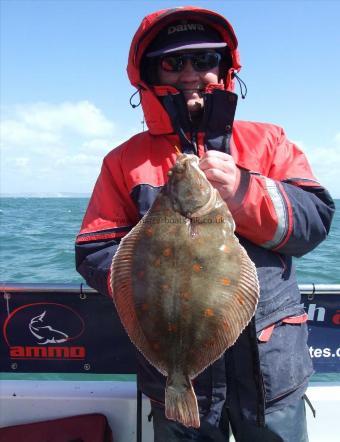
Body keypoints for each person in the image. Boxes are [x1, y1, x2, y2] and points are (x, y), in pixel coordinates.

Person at [75, 6, 335, 441]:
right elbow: (94, 248)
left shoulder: (268, 141)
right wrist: (149, 279)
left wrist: (243, 191)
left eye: (204, 59)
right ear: (150, 72)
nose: (190, 72)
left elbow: (314, 221)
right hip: (175, 381)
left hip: (270, 369)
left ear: (225, 68)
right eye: (173, 63)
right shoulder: (123, 161)